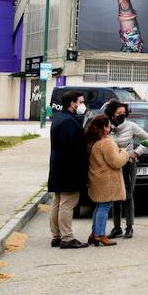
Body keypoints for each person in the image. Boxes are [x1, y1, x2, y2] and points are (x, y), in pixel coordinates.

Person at [48, 90, 89, 249]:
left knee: (57, 203)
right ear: (72, 103)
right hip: (69, 169)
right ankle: (67, 237)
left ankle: (56, 236)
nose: (82, 105)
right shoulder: (69, 122)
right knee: (67, 203)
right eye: (80, 102)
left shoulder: (59, 118)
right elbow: (74, 148)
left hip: (59, 167)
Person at [104, 101, 148, 239]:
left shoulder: (131, 126)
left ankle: (129, 227)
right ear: (112, 114)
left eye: (124, 113)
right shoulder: (107, 127)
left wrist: (136, 153)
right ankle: (116, 228)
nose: (122, 115)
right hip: (112, 166)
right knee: (115, 197)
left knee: (128, 196)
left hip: (128, 165)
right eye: (119, 113)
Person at [84, 114, 130, 247]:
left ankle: (94, 234)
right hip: (107, 181)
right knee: (104, 207)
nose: (110, 127)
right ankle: (100, 235)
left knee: (99, 206)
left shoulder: (94, 141)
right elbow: (116, 162)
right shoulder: (107, 142)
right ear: (104, 128)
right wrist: (124, 153)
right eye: (108, 125)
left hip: (98, 179)